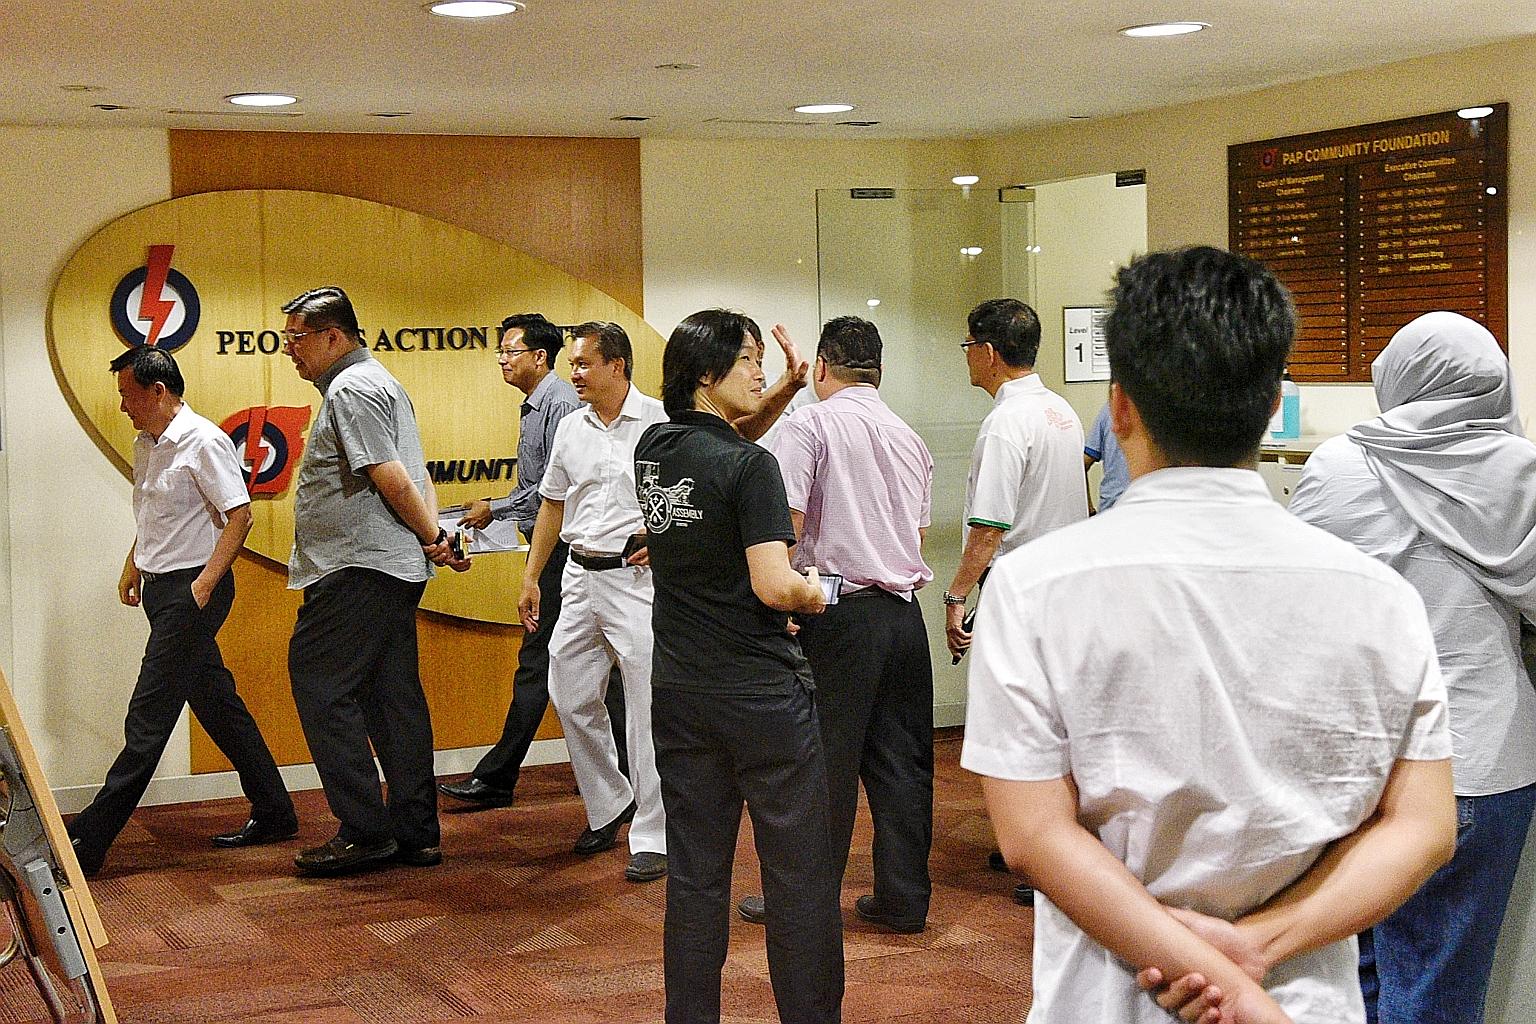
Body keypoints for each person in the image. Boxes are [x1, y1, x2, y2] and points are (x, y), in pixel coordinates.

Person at [963, 246, 1456, 1024]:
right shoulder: (1380, 597)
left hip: (1106, 1001)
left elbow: (1032, 837)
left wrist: (1197, 968)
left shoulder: (1036, 588)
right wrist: (1251, 955)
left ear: (1119, 407)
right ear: (1269, 407)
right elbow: (1424, 825)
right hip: (1297, 998)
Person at [1287, 311, 1536, 1024]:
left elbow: (1297, 605)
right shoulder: (1520, 476)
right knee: (1443, 977)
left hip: (1365, 755)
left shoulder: (1337, 465)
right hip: (1486, 760)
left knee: (1352, 966)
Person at [637, 308, 840, 1024]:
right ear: (704, 372)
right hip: (759, 699)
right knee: (799, 880)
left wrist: (782, 389)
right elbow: (773, 585)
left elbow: (720, 451)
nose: (759, 370)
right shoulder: (753, 468)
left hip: (680, 694)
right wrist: (816, 592)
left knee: (694, 877)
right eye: (748, 359)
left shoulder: (655, 449)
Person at [738, 315, 936, 934]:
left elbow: (785, 526)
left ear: (821, 367)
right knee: (904, 765)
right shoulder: (909, 435)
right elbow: (918, 534)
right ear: (878, 371)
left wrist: (784, 604)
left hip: (838, 616)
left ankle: (803, 902)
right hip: (905, 618)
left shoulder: (809, 425)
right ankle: (904, 901)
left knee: (821, 764)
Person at [68, 346, 296, 877]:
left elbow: (239, 516)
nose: (122, 404)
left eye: (127, 394)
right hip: (161, 587)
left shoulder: (204, 441)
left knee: (147, 719)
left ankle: (91, 840)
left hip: (194, 591)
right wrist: (134, 562)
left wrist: (204, 586)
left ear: (158, 391)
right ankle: (276, 811)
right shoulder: (147, 444)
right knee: (218, 704)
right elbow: (153, 514)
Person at [281, 286, 465, 876]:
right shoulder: (375, 382)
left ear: (334, 337)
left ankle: (365, 831)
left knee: (318, 683)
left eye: (297, 339)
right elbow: (408, 473)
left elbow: (390, 476)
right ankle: (415, 832)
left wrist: (434, 535)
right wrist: (433, 536)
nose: (290, 351)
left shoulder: (352, 387)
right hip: (382, 568)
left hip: (358, 569)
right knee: (392, 699)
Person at [439, 313, 628, 809]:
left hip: (574, 555)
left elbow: (549, 497)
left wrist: (494, 509)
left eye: (510, 351)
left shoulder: (563, 408)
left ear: (537, 357)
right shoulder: (542, 406)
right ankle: (620, 779)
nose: (502, 360)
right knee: (581, 668)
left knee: (543, 662)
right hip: (557, 552)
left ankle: (501, 776)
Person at [944, 297, 1087, 903]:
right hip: (1065, 586)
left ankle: (1038, 858)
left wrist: (956, 594)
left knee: (1021, 731)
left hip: (1020, 589)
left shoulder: (1006, 423)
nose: (968, 357)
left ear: (990, 353)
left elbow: (989, 528)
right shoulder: (1061, 412)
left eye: (970, 346)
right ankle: (1048, 849)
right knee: (1056, 725)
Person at [518, 321, 667, 882]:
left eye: (583, 364)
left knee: (646, 708)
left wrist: (666, 537)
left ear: (618, 366)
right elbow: (552, 505)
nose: (573, 373)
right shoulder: (570, 429)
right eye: (573, 364)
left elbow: (686, 499)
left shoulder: (659, 423)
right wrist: (533, 577)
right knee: (569, 689)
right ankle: (610, 802)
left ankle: (654, 833)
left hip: (637, 582)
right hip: (579, 577)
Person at [1083, 401, 1129, 513]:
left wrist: (1090, 509)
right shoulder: (1109, 410)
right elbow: (1083, 464)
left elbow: (1083, 464)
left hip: (1112, 507)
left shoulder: (1110, 409)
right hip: (1119, 507)